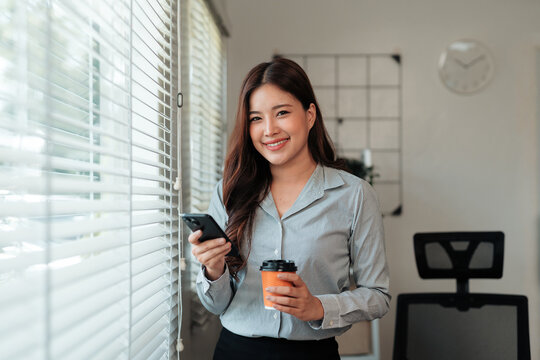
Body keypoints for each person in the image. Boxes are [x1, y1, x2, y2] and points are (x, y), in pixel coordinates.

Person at [189, 57, 390, 360]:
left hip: (313, 353)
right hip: (235, 351)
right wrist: (213, 270)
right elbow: (216, 305)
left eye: (281, 113)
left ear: (310, 116)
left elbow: (378, 295)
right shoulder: (229, 192)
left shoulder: (355, 195)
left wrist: (319, 307)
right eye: (256, 118)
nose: (269, 130)